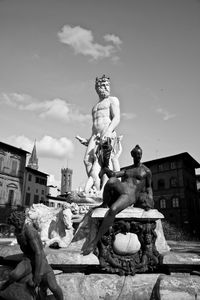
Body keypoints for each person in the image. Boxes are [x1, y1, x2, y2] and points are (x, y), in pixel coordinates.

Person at [83, 144, 154, 255]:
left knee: (113, 209)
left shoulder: (146, 171)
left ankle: (95, 241)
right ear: (132, 155)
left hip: (130, 195)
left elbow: (149, 187)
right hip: (122, 188)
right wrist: (105, 167)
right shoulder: (128, 169)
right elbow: (113, 174)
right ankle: (104, 203)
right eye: (136, 154)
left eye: (140, 154)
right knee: (111, 180)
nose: (138, 156)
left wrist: (150, 199)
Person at [0, 210, 63, 300]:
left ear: (20, 222)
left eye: (15, 224)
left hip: (40, 260)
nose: (13, 227)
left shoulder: (30, 231)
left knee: (53, 287)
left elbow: (38, 253)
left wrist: (37, 275)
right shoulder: (18, 232)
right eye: (13, 225)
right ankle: (3, 286)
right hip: (28, 259)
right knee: (14, 275)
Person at [76, 75, 120, 193]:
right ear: (98, 88)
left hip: (107, 133)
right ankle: (97, 185)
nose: (106, 88)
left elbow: (116, 118)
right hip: (95, 135)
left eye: (107, 85)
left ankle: (103, 189)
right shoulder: (94, 107)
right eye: (103, 86)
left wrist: (108, 131)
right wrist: (87, 140)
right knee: (87, 160)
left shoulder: (112, 100)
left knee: (105, 162)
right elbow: (95, 125)